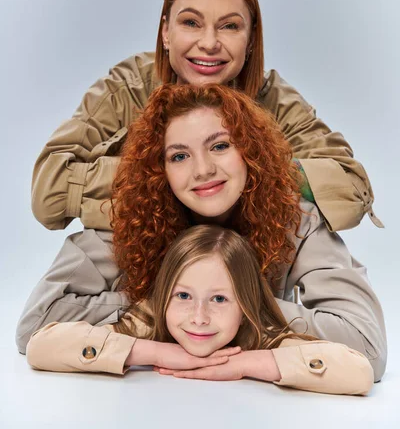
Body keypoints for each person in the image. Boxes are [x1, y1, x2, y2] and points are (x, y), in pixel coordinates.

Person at [17, 84, 386, 383]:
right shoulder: (130, 216)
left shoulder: (297, 220)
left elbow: (368, 348)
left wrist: (248, 313)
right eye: (179, 156)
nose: (203, 170)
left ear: (250, 152)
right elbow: (35, 326)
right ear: (159, 169)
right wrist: (156, 313)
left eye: (220, 146)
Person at [31, 0, 382, 235]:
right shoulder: (130, 86)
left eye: (230, 26)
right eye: (191, 23)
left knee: (315, 233)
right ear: (166, 31)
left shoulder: (273, 97)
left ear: (250, 39)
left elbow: (349, 188)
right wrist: (167, 177)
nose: (210, 43)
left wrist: (247, 170)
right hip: (145, 257)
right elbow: (50, 190)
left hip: (245, 269)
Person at [26, 224, 374, 396]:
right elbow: (40, 346)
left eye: (220, 299)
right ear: (163, 295)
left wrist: (243, 364)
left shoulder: (261, 337)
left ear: (246, 302)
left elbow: (359, 373)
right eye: (183, 296)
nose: (199, 317)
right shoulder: (146, 323)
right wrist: (152, 351)